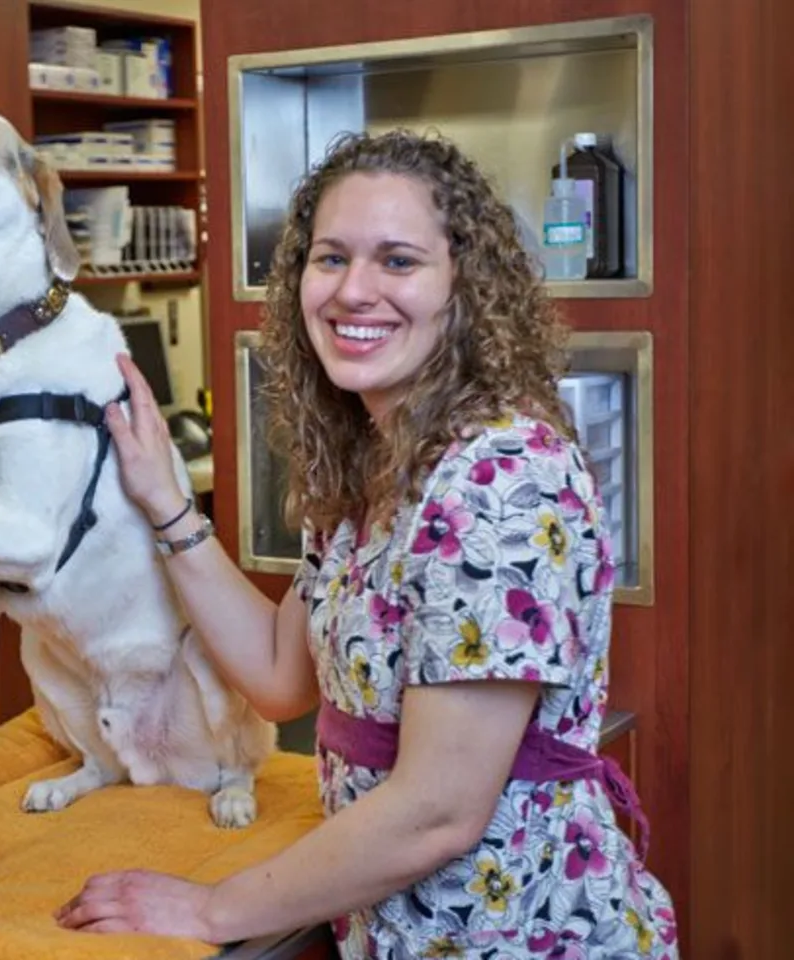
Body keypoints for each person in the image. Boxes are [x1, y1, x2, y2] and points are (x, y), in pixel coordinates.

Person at [55, 130, 677, 957]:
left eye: (398, 261)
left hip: (525, 936)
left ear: (465, 288)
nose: (354, 291)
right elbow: (281, 676)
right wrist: (166, 502)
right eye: (330, 257)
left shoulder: (500, 480)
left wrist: (211, 910)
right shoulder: (375, 468)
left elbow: (438, 813)